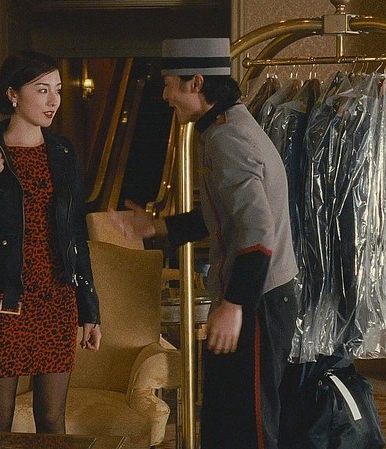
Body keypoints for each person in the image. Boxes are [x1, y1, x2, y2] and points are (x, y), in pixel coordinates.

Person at [110, 38, 299, 449]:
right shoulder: (223, 128)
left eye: (168, 85)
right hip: (257, 295)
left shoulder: (228, 138)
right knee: (226, 417)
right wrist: (158, 228)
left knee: (247, 424)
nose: (165, 96)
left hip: (258, 298)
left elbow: (257, 232)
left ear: (196, 83)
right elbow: (225, 216)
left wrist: (235, 305)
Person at [0, 50, 101, 434]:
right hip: (3, 299)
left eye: (57, 90)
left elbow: (76, 236)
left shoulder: (63, 153)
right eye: (42, 90)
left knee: (52, 418)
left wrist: (89, 309)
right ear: (13, 94)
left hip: (56, 298)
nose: (53, 100)